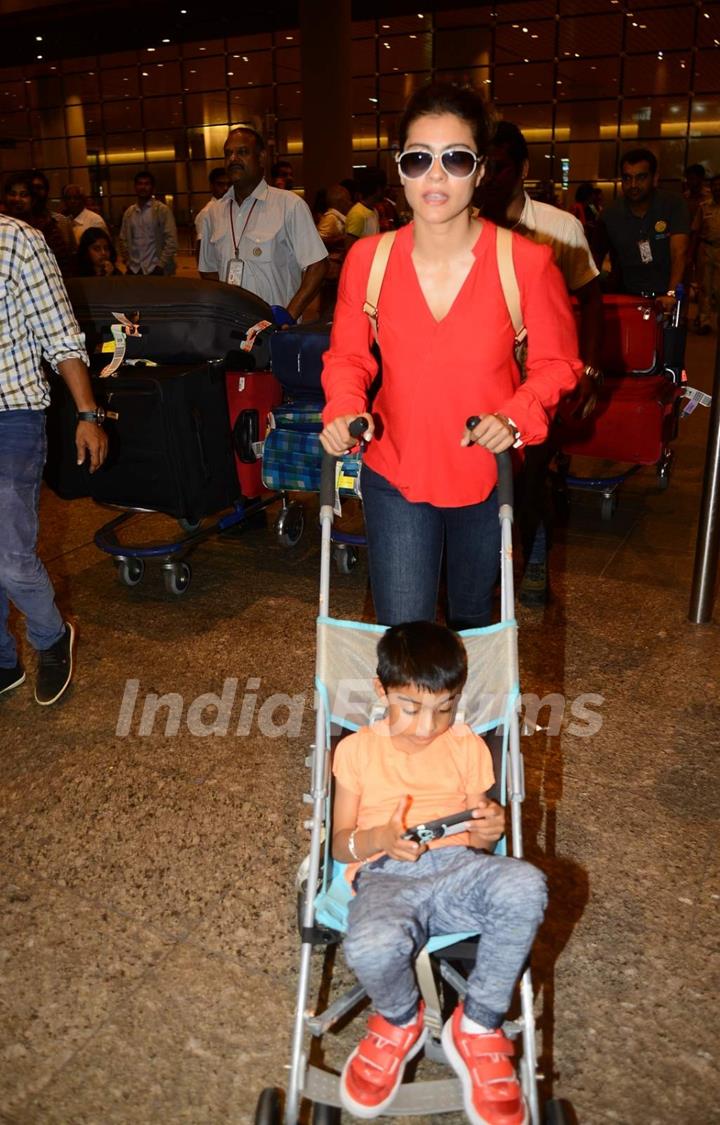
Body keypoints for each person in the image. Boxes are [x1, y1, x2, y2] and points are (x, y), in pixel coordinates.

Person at [320, 83, 582, 629]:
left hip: (486, 474)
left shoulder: (525, 263)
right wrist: (345, 409)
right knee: (405, 632)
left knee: (473, 623)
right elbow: (348, 356)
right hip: (395, 466)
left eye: (455, 159)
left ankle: (473, 718)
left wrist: (514, 416)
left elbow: (558, 363)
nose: (435, 176)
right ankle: (411, 717)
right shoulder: (368, 259)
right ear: (400, 167)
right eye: (419, 159)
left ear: (481, 170)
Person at [332, 621, 547, 1123]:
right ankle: (399, 1019)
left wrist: (490, 829)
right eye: (411, 709)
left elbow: (477, 838)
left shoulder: (466, 745)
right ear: (381, 691)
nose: (428, 727)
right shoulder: (358, 751)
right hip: (385, 875)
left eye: (445, 708)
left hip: (457, 868)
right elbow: (340, 845)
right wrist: (378, 839)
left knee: (526, 884)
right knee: (371, 945)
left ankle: (477, 1023)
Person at [479, 122, 604, 606]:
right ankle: (487, 566)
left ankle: (524, 563)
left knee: (529, 474)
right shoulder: (461, 227)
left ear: (523, 170)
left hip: (537, 380)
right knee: (486, 477)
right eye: (481, 165)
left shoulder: (559, 228)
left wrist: (589, 370)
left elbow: (591, 299)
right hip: (482, 378)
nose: (488, 177)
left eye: (500, 166)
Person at [0, 213, 108, 705]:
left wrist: (89, 414)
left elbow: (61, 335)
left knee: (11, 556)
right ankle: (3, 659)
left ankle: (49, 636)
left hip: (12, 416)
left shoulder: (18, 241)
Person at [198, 126, 327, 325]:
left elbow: (318, 266)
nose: (233, 159)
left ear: (261, 157)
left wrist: (288, 316)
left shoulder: (289, 205)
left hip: (274, 331)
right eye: (228, 153)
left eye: (242, 152)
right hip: (230, 329)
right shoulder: (213, 213)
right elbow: (208, 271)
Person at [591, 148, 690, 312]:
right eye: (627, 178)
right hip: (626, 296)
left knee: (669, 337)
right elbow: (595, 258)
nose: (633, 185)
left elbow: (679, 253)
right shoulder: (610, 214)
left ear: (655, 178)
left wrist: (671, 294)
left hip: (667, 297)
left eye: (641, 177)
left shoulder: (673, 205)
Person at [4, 172, 73, 277]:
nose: (17, 199)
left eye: (23, 195)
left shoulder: (46, 227)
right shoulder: (3, 225)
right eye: (12, 194)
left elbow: (63, 265)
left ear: (33, 200)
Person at [118, 170, 177, 276]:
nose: (143, 187)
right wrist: (128, 262)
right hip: (135, 268)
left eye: (146, 184)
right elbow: (123, 240)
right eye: (140, 184)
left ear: (153, 188)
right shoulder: (129, 213)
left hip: (157, 268)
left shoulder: (162, 210)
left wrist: (161, 265)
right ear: (135, 187)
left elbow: (172, 241)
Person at [316, 183, 353, 318]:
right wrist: (343, 238)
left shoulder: (338, 217)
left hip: (337, 268)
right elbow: (319, 240)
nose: (350, 203)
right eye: (347, 200)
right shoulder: (331, 218)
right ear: (340, 202)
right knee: (329, 302)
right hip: (331, 269)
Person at [691, 173, 720, 335]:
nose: (717, 188)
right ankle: (704, 321)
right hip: (706, 250)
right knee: (705, 287)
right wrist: (691, 255)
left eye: (719, 185)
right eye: (714, 185)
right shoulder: (704, 206)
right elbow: (696, 231)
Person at [344, 168, 386, 248]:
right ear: (378, 189)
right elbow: (349, 248)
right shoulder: (358, 214)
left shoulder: (374, 211)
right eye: (384, 187)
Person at [193, 167, 230, 257]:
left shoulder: (233, 208)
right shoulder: (207, 213)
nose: (225, 188)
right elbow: (201, 250)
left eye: (229, 184)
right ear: (211, 186)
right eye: (220, 184)